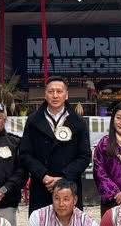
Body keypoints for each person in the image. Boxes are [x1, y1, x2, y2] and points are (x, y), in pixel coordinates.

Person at [19, 78, 92, 213]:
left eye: (59, 91)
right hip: (42, 185)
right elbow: (25, 154)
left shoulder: (78, 122)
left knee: (70, 224)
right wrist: (43, 176)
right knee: (41, 223)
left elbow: (85, 156)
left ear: (66, 95)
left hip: (69, 185)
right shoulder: (33, 120)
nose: (55, 95)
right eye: (51, 91)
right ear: (45, 95)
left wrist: (64, 177)